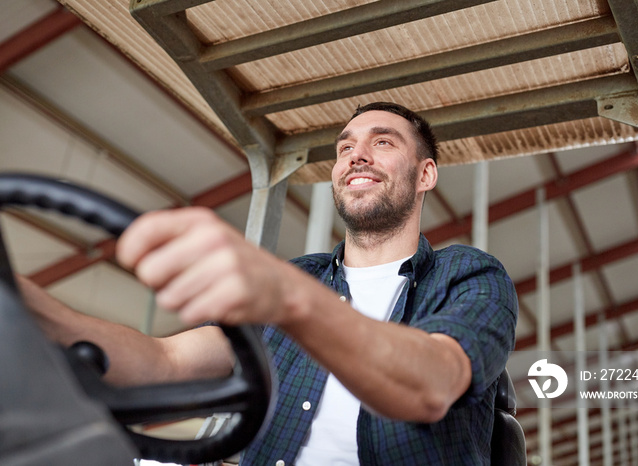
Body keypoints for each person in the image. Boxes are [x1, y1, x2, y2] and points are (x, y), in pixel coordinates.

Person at [19, 102, 518, 465]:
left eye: (382, 142)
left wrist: (290, 298)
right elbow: (164, 361)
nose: (356, 156)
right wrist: (23, 302)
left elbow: (431, 385)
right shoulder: (302, 274)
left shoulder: (470, 274)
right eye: (345, 148)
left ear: (426, 173)